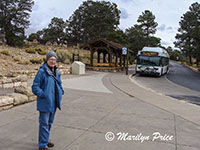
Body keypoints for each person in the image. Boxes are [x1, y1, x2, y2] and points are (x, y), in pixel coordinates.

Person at [32, 51, 64, 150]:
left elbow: (59, 83)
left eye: (54, 59)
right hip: (45, 102)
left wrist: (61, 91)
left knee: (49, 123)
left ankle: (45, 140)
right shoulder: (42, 71)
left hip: (54, 102)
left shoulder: (56, 72)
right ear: (47, 60)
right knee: (44, 123)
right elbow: (35, 87)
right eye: (51, 59)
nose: (53, 61)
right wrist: (43, 94)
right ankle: (42, 145)